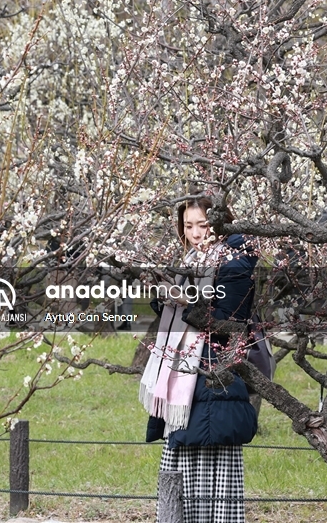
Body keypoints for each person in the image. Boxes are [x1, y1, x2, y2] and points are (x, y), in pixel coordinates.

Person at [139, 195, 259, 523]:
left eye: (202, 224)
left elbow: (228, 321)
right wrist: (164, 300)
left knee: (212, 468)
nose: (194, 232)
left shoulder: (236, 258)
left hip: (215, 374)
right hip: (189, 377)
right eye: (188, 225)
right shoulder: (193, 260)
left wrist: (185, 302)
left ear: (219, 223)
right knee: (181, 465)